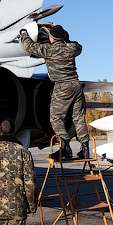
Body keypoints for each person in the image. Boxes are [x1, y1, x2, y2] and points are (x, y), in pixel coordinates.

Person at [19, 24, 91, 160]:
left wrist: (23, 33)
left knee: (56, 118)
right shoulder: (71, 48)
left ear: (51, 38)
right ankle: (85, 149)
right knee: (79, 118)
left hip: (62, 87)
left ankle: (65, 147)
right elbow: (78, 46)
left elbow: (29, 46)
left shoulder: (48, 50)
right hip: (76, 85)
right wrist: (67, 39)